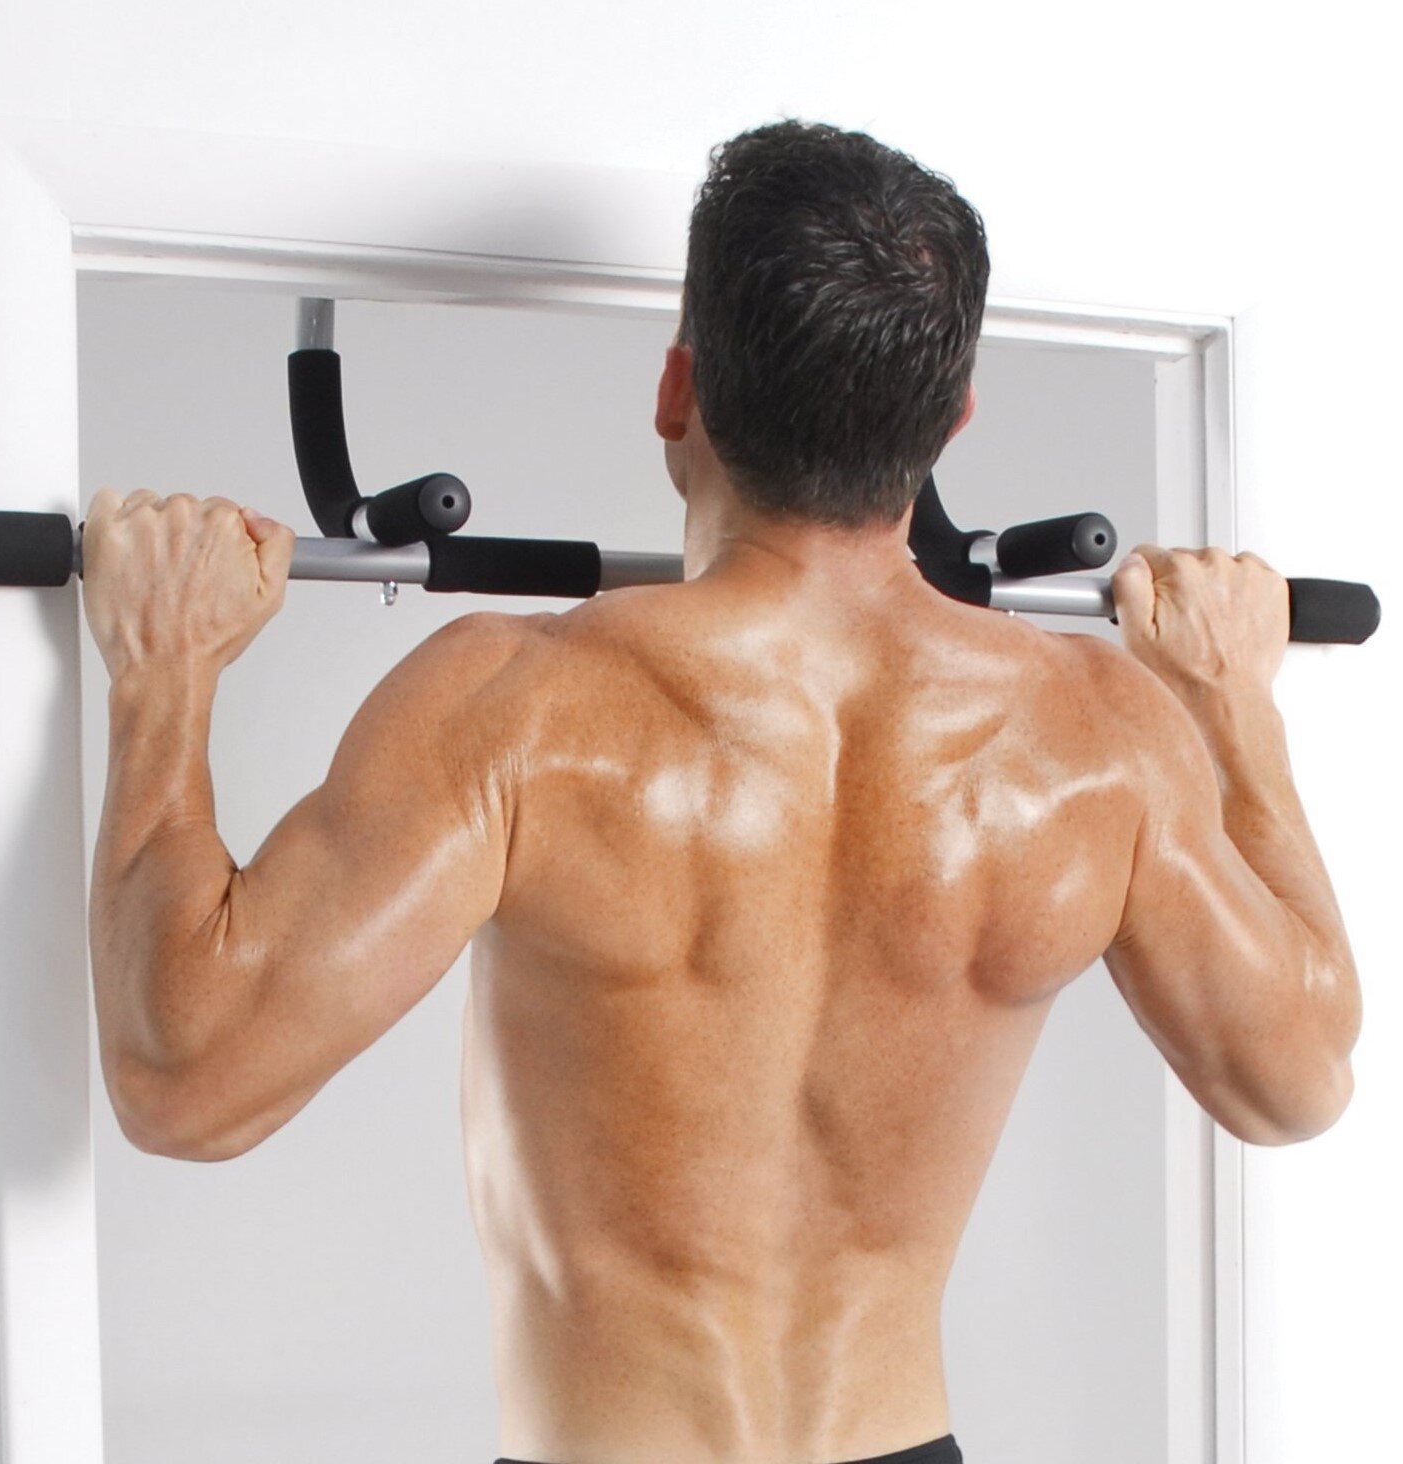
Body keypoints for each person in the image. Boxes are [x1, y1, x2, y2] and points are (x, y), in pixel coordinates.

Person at [80, 120, 1361, 1464]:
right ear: (949, 415)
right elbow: (1298, 1078)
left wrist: (162, 673)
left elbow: (188, 1078)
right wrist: (1230, 701)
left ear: (676, 389)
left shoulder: (518, 711)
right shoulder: (1093, 737)